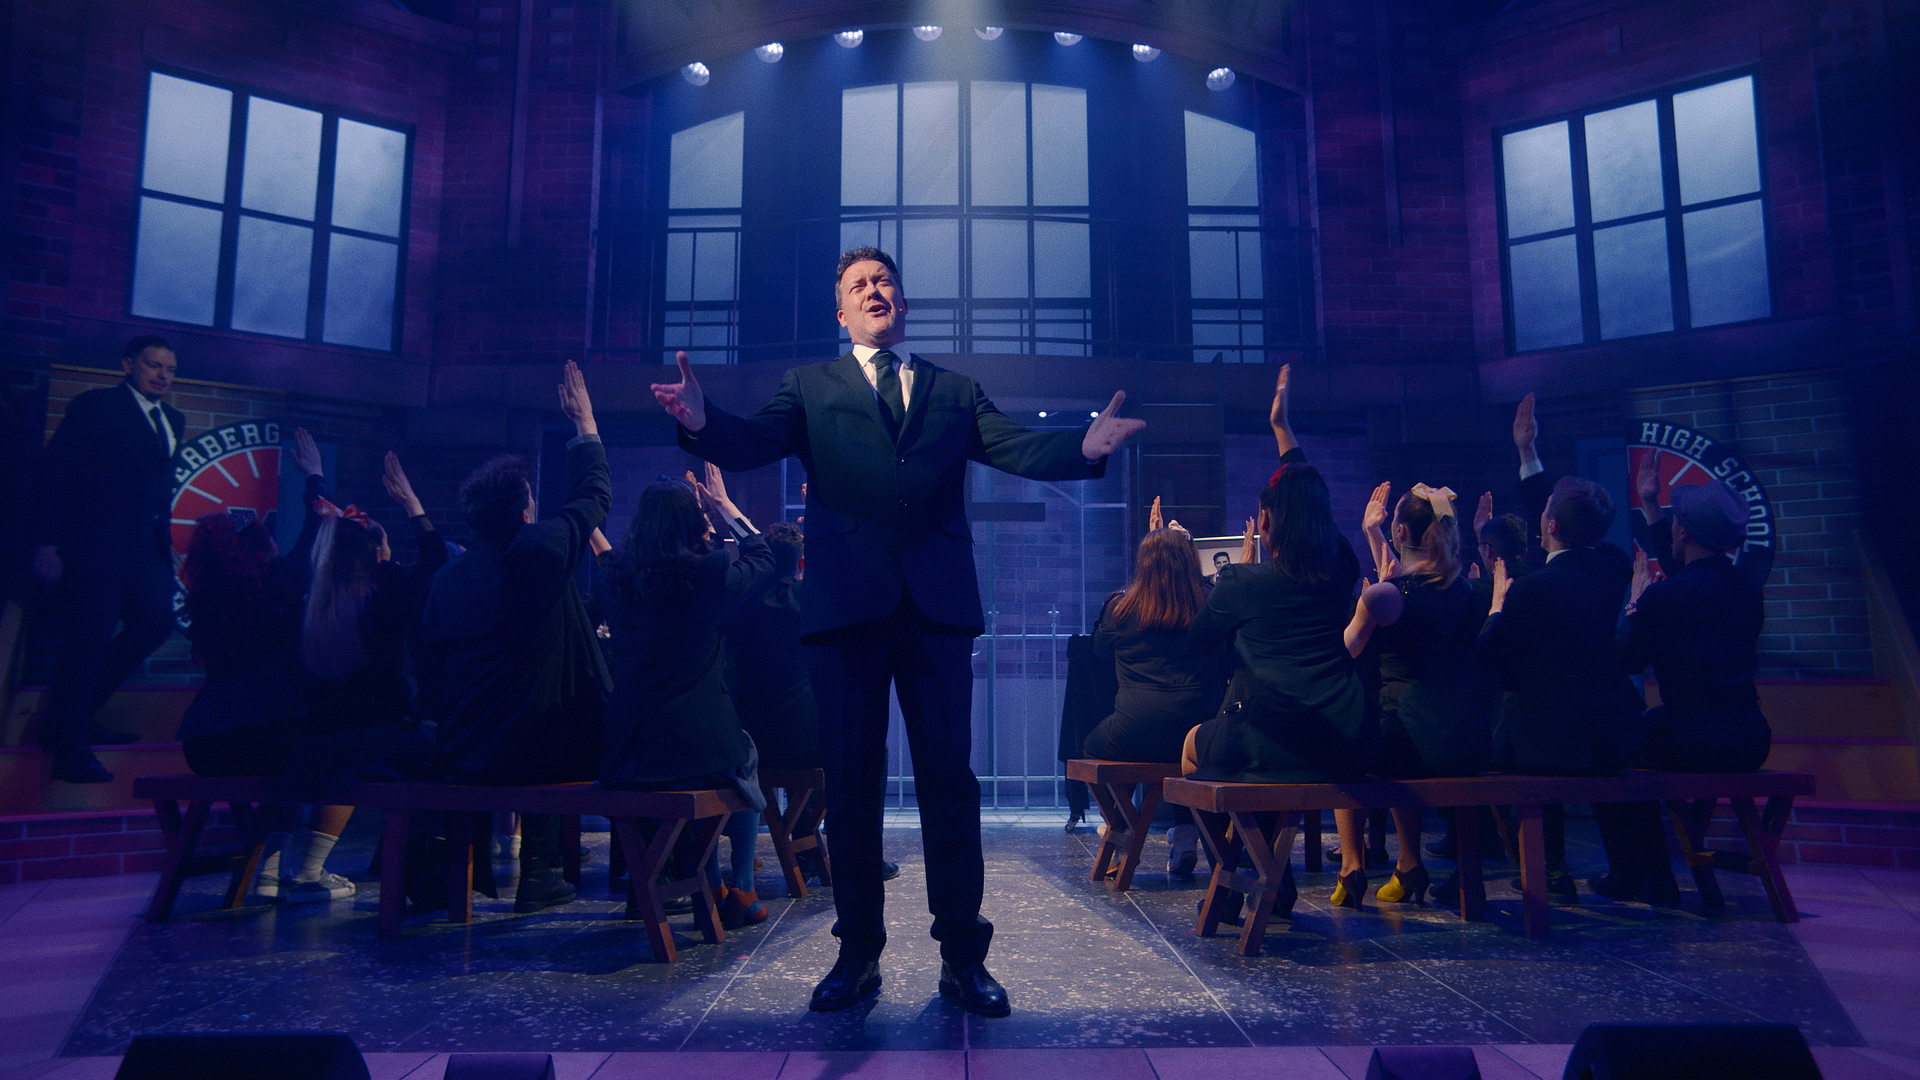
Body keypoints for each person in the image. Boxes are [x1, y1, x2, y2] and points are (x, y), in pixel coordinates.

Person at [650, 246, 1145, 1017]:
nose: (872, 290)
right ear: (841, 312)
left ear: (903, 302)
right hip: (846, 610)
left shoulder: (955, 390)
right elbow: (751, 441)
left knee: (951, 784)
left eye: (883, 281)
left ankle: (963, 959)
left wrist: (1083, 446)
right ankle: (857, 955)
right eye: (857, 285)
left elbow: (1015, 446)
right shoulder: (808, 387)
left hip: (936, 609)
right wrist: (700, 420)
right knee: (850, 789)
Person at [1182, 365, 1375, 913]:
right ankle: (1271, 874)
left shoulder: (1243, 583)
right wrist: (1284, 434)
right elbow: (1315, 508)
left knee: (1197, 748)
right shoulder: (1340, 571)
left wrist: (1211, 583)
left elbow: (1196, 641)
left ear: (1265, 523)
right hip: (1341, 739)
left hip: (1271, 741)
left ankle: (1238, 875)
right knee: (1251, 743)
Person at [422, 361, 610, 914]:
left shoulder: (448, 577)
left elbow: (430, 664)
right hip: (540, 746)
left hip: (465, 746)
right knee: (556, 719)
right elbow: (592, 498)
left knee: (534, 717)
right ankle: (539, 872)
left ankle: (468, 874)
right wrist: (585, 424)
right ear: (525, 510)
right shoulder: (535, 552)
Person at [1480, 395, 1646, 904]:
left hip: (1545, 742)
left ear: (1549, 526)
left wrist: (1496, 608)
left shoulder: (1530, 590)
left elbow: (1492, 658)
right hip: (1609, 733)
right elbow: (1567, 529)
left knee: (1522, 717)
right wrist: (1528, 455)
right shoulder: (1614, 567)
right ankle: (1632, 874)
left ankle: (1550, 871)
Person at [598, 467, 777, 929]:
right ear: (692, 524)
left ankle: (712, 883)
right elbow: (764, 555)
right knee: (743, 760)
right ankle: (741, 887)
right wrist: (724, 505)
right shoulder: (709, 573)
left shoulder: (615, 576)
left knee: (714, 763)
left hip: (629, 750)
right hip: (696, 743)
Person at [1599, 479, 1771, 903]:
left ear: (1683, 533)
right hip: (1750, 738)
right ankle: (1653, 876)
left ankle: (1643, 876)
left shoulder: (1665, 596)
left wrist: (1635, 605)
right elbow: (1697, 582)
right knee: (1642, 732)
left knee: (1607, 752)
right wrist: (1650, 503)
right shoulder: (1748, 589)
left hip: (1694, 739)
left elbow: (1628, 659)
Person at [30, 335, 188, 783]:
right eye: (153, 365)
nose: (162, 375)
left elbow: (158, 488)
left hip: (144, 549)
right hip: (93, 546)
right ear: (128, 365)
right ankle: (70, 750)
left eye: (170, 369)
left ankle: (71, 719)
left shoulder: (173, 418)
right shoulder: (96, 407)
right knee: (88, 640)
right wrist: (47, 542)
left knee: (155, 623)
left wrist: (164, 544)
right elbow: (55, 474)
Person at [1343, 482, 1493, 905]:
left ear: (1401, 533)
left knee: (1347, 742)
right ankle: (1407, 864)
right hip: (1469, 742)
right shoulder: (1473, 592)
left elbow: (1343, 653)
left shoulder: (1384, 596)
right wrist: (1375, 534)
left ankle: (1350, 866)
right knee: (1393, 726)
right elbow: (1411, 584)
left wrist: (1372, 539)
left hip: (1410, 743)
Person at [1084, 497, 1230, 877]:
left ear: (1142, 565)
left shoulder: (1120, 609)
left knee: (1091, 745)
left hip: (1135, 731)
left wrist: (1158, 545)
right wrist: (1179, 547)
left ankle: (1122, 826)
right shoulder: (1210, 607)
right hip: (1198, 734)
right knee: (1184, 751)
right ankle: (1185, 836)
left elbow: (1098, 649)